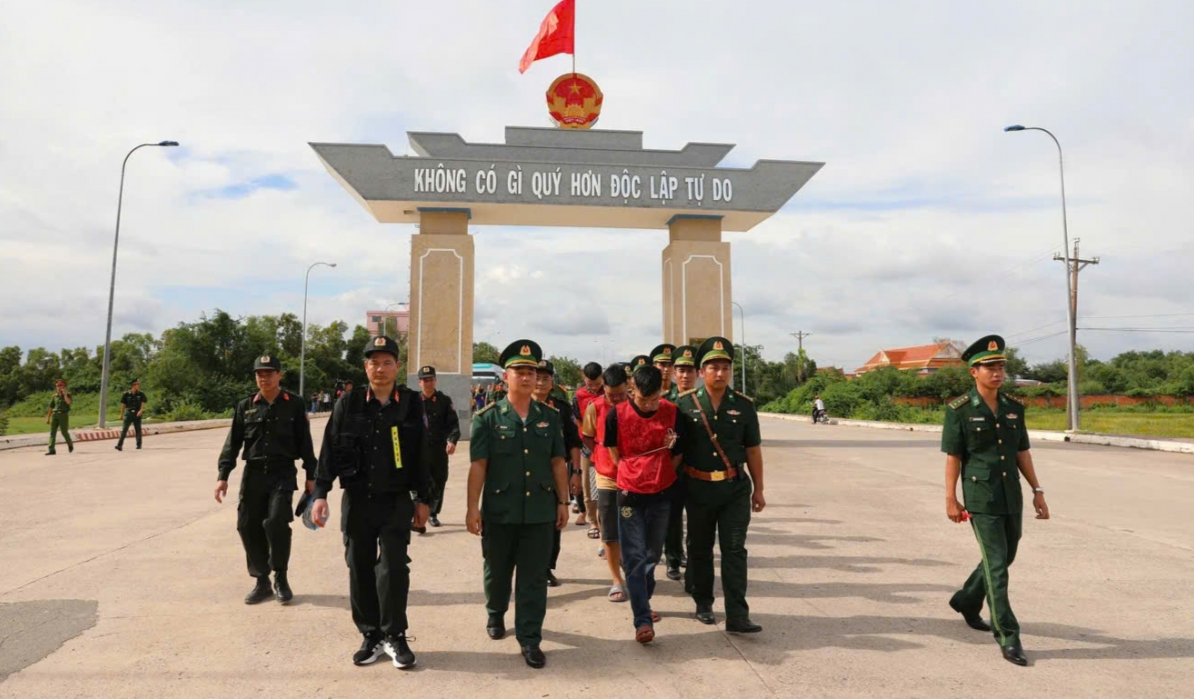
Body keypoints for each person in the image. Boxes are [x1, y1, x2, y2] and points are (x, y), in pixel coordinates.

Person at [310, 336, 430, 669]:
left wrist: (424, 499)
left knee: (392, 567)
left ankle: (395, 635)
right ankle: (371, 634)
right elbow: (329, 451)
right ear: (366, 367)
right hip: (358, 500)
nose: (380, 368)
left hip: (395, 500)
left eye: (387, 362)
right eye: (374, 362)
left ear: (396, 367)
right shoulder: (348, 403)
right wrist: (320, 494)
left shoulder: (411, 403)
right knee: (358, 566)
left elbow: (422, 454)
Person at [942, 334, 1050, 667]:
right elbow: (953, 457)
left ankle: (966, 600)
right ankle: (1008, 635)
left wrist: (1037, 491)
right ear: (974, 372)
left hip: (1011, 495)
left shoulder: (1014, 408)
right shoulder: (959, 410)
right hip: (980, 497)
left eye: (1000, 366)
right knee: (998, 567)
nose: (997, 372)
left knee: (1007, 553)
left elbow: (1022, 452)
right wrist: (951, 498)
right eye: (989, 367)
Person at [466, 340, 569, 669]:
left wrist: (564, 501)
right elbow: (478, 465)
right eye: (519, 372)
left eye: (531, 372)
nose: (526, 377)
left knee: (534, 577)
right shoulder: (487, 418)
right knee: (497, 572)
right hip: (500, 510)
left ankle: (529, 638)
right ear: (505, 378)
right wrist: (472, 507)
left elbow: (557, 462)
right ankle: (495, 613)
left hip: (539, 509)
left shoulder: (549, 417)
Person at [677, 336, 765, 634]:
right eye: (713, 367)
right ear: (701, 372)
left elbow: (752, 449)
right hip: (697, 488)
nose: (720, 373)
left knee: (734, 550)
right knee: (699, 548)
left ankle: (737, 614)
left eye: (725, 367)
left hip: (734, 489)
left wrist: (759, 489)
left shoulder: (743, 406)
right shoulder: (684, 404)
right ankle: (703, 602)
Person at [214, 354, 317, 605]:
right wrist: (223, 476)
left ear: (280, 375)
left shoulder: (294, 404)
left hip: (282, 471)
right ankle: (262, 581)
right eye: (260, 373)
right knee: (247, 525)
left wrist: (311, 476)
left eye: (270, 373)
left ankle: (281, 577)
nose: (264, 377)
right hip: (254, 473)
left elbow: (305, 442)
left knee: (277, 522)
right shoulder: (245, 405)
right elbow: (233, 442)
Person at [605, 365, 686, 643]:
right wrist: (634, 472)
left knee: (652, 554)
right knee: (635, 556)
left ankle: (643, 599)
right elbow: (614, 452)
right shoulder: (616, 415)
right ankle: (641, 620)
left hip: (661, 492)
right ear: (632, 390)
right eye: (643, 400)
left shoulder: (673, 413)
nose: (650, 406)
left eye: (655, 399)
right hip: (630, 493)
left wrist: (662, 467)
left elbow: (678, 454)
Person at [581, 363, 631, 603]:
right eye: (611, 395)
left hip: (634, 478)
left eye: (621, 394)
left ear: (628, 386)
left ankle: (632, 570)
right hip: (607, 477)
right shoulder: (595, 407)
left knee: (633, 528)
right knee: (610, 529)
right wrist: (603, 457)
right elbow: (588, 437)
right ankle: (616, 580)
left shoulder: (637, 406)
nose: (616, 399)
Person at [533, 359, 582, 587]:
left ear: (552, 382)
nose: (540, 382)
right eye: (537, 377)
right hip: (527, 473)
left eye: (546, 378)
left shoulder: (561, 409)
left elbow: (574, 442)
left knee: (555, 522)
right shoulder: (519, 405)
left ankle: (546, 567)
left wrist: (576, 472)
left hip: (556, 474)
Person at [663, 345, 697, 581]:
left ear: (698, 372)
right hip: (672, 470)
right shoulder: (665, 402)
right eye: (681, 370)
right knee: (672, 518)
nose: (685, 375)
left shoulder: (705, 400)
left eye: (690, 370)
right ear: (674, 373)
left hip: (698, 470)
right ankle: (673, 559)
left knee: (697, 519)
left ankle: (693, 558)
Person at [417, 365, 461, 530]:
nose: (428, 383)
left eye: (431, 379)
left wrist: (452, 440)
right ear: (419, 382)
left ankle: (433, 513)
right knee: (419, 481)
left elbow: (453, 424)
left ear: (435, 380)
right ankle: (419, 512)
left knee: (439, 481)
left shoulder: (444, 401)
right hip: (419, 450)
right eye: (424, 380)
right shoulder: (414, 402)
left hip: (438, 449)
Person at [572, 362, 604, 536]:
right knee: (590, 486)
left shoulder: (608, 393)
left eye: (597, 384)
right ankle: (593, 523)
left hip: (606, 446)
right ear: (583, 378)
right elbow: (578, 421)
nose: (593, 388)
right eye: (589, 384)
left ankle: (604, 522)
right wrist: (587, 441)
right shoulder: (578, 396)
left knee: (606, 487)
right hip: (588, 446)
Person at [115, 378, 147, 451]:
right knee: (124, 429)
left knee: (138, 430)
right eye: (137, 384)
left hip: (137, 414)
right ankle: (119, 445)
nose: (138, 386)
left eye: (139, 384)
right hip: (128, 413)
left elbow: (143, 403)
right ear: (133, 385)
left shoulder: (141, 394)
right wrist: (121, 414)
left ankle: (139, 445)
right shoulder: (126, 394)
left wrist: (141, 410)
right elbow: (123, 405)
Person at [44, 379, 74, 456]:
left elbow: (68, 402)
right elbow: (51, 407)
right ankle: (51, 449)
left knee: (64, 432)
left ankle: (70, 444)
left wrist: (65, 395)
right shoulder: (54, 396)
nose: (59, 387)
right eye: (58, 385)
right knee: (52, 433)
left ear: (64, 386)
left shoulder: (68, 394)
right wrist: (48, 417)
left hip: (63, 415)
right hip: (55, 415)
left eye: (61, 385)